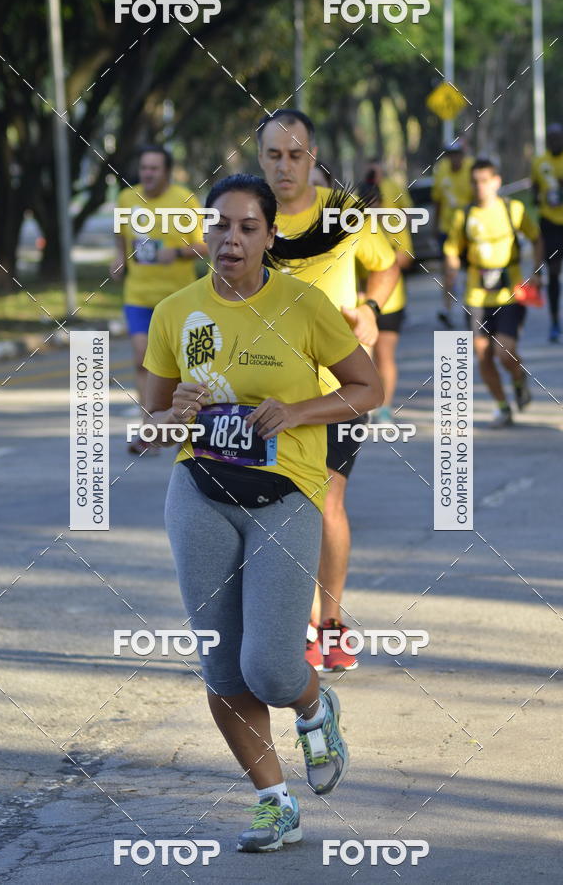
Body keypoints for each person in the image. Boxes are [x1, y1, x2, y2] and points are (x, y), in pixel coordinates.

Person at [142, 173, 383, 851]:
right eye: (220, 225)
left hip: (284, 494)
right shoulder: (175, 313)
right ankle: (275, 803)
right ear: (205, 233)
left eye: (248, 227)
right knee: (223, 670)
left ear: (270, 236)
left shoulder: (303, 305)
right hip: (199, 491)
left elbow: (368, 388)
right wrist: (169, 415)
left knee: (272, 668)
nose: (232, 239)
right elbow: (152, 424)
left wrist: (298, 411)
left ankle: (313, 705)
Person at [256, 109, 398, 673]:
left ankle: (330, 624)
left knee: (327, 501)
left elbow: (386, 266)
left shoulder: (343, 214)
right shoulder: (249, 218)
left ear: (312, 158)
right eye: (274, 155)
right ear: (260, 158)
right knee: (279, 507)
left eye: (295, 155)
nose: (285, 166)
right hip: (265, 392)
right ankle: (299, 622)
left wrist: (371, 309)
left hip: (338, 387)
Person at [110, 145, 207, 452]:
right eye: (144, 168)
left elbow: (204, 247)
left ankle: (182, 426)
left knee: (181, 366)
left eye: (154, 168)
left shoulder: (185, 200)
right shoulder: (126, 199)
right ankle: (149, 429)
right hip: (139, 295)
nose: (148, 174)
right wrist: (119, 259)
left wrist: (176, 253)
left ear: (167, 172)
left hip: (178, 299)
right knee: (142, 359)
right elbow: (120, 236)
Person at [444, 158, 543, 429]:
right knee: (482, 354)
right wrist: (451, 271)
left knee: (504, 352)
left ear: (497, 182)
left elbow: (536, 238)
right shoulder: (464, 215)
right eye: (475, 182)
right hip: (476, 296)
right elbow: (452, 249)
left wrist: (537, 272)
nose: (480, 187)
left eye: (485, 181)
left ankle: (519, 378)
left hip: (509, 294)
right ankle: (502, 406)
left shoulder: (513, 210)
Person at [359, 158, 415, 423]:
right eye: (366, 206)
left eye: (376, 204)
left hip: (391, 301)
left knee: (384, 355)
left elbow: (406, 258)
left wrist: (381, 260)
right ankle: (366, 403)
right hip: (359, 302)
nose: (372, 210)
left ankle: (385, 407)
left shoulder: (394, 224)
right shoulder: (353, 228)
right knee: (362, 358)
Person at [531, 123, 563, 342]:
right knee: (554, 272)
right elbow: (535, 187)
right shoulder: (539, 162)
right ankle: (555, 322)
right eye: (551, 139)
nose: (554, 142)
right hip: (550, 224)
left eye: (557, 138)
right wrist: (538, 198)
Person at [432, 141, 474, 328]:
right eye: (450, 155)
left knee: (471, 271)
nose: (454, 158)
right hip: (447, 229)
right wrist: (434, 225)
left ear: (463, 155)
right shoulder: (441, 170)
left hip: (469, 229)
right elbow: (437, 200)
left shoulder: (471, 168)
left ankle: (472, 307)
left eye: (457, 154)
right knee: (448, 272)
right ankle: (448, 310)